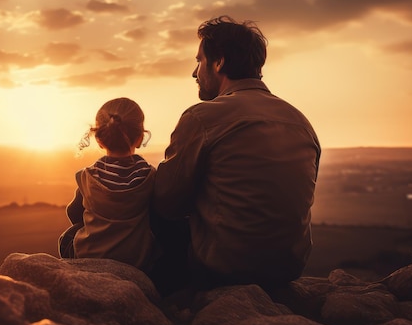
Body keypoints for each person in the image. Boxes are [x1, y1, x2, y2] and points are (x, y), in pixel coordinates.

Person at [151, 15, 321, 294]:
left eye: (199, 61)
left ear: (218, 62)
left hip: (223, 269)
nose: (194, 73)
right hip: (288, 268)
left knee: (132, 199)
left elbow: (167, 204)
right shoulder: (300, 121)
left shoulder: (202, 117)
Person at [58, 97, 157, 272]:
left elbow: (74, 212)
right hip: (137, 261)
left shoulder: (87, 176)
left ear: (99, 139)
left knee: (68, 237)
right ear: (141, 137)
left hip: (90, 255)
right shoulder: (150, 176)